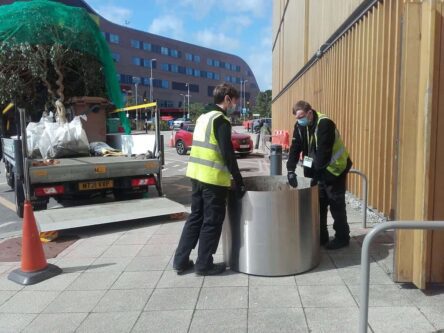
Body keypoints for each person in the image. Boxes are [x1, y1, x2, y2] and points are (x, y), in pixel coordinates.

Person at [173, 83, 245, 275]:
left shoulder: (203, 117)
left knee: (195, 217)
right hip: (212, 180)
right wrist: (238, 179)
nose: (235, 105)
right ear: (228, 99)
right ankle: (204, 264)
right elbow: (228, 153)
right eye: (235, 101)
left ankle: (180, 261)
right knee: (212, 221)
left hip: (196, 176)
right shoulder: (221, 120)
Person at [286, 100, 352, 250]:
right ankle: (321, 237)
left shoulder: (324, 124)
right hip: (319, 169)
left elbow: (323, 154)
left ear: (309, 113)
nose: (299, 120)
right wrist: (290, 170)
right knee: (319, 204)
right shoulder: (300, 126)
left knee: (335, 203)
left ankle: (342, 237)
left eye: (301, 116)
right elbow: (295, 147)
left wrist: (314, 177)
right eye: (296, 118)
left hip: (335, 168)